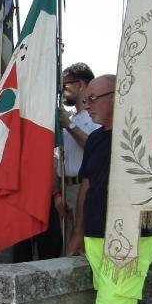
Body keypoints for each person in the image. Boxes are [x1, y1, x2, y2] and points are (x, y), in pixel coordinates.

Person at [65, 75, 152, 304]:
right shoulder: (95, 141)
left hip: (134, 234)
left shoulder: (144, 135)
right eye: (84, 99)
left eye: (92, 99)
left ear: (116, 96)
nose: (85, 106)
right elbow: (88, 185)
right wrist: (77, 232)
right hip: (95, 234)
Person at [58, 63, 100, 246]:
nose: (62, 90)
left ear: (81, 85)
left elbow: (94, 147)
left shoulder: (95, 118)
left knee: (81, 246)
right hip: (66, 188)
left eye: (65, 85)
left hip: (83, 188)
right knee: (67, 244)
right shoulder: (72, 119)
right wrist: (57, 193)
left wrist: (69, 126)